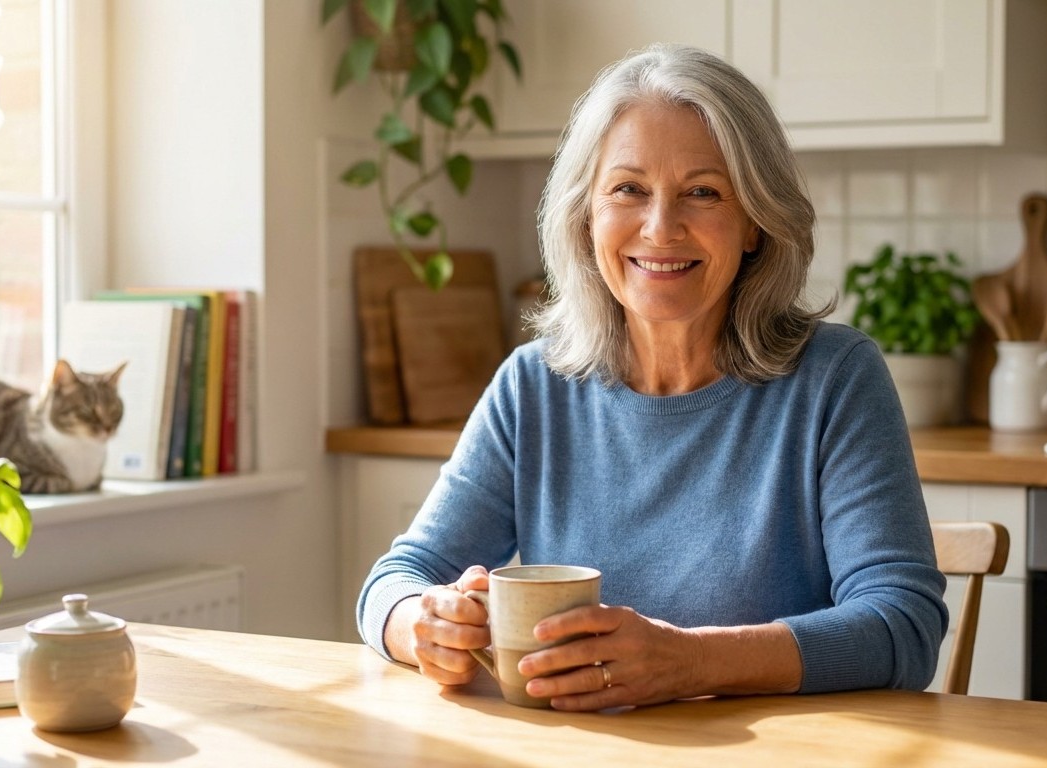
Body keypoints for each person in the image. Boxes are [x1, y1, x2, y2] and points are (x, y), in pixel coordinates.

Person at [356, 43, 948, 711]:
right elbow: (394, 581)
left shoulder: (835, 379)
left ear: (754, 223)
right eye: (628, 189)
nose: (660, 228)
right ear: (587, 215)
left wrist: (693, 662)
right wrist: (422, 623)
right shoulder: (532, 386)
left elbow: (903, 627)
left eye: (703, 192)